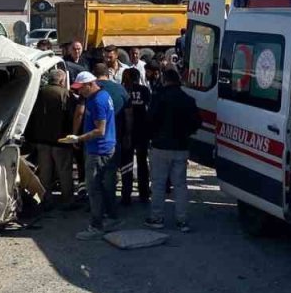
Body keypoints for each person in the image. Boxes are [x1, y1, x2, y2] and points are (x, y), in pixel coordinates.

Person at [64, 71, 120, 240]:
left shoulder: (97, 101)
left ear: (89, 84)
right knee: (107, 186)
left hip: (98, 150)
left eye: (81, 88)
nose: (79, 92)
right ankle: (111, 218)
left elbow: (100, 130)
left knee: (94, 188)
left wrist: (78, 138)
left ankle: (96, 225)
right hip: (107, 147)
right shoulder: (102, 95)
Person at [145, 69, 201, 233]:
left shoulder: (159, 98)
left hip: (160, 146)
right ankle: (182, 221)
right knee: (180, 185)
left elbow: (150, 120)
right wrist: (186, 134)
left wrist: (152, 136)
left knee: (158, 184)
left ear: (165, 80)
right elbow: (197, 122)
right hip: (181, 146)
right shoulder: (188, 99)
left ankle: (157, 218)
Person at [28, 69, 76, 210]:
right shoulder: (66, 94)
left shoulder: (39, 93)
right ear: (62, 81)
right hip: (61, 140)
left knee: (45, 172)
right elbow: (72, 116)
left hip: (42, 140)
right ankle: (67, 200)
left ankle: (45, 200)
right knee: (64, 171)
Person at [119, 67, 152, 205]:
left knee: (126, 163)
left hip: (126, 131)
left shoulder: (122, 90)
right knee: (142, 162)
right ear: (138, 77)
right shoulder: (144, 90)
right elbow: (149, 109)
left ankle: (126, 195)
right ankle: (144, 193)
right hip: (142, 131)